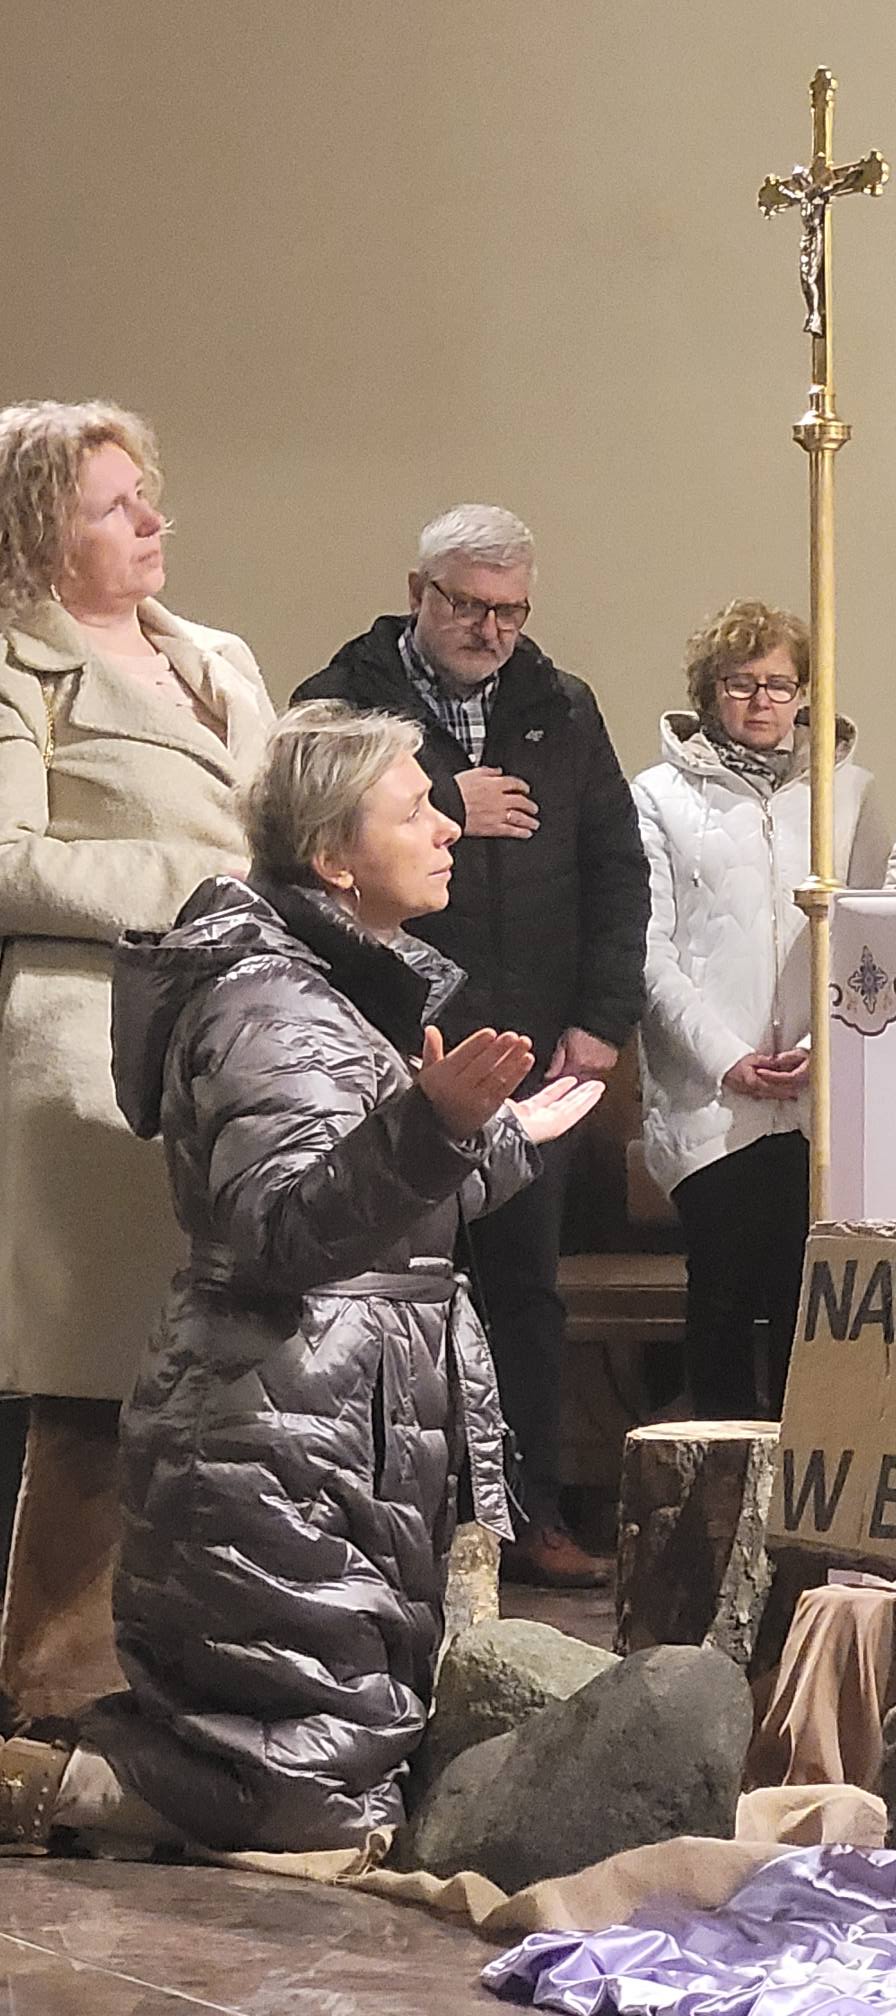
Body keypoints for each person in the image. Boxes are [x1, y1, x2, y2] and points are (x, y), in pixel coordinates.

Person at [0, 700, 602, 1855]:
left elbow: (374, 1211)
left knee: (341, 1761)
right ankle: (53, 1784)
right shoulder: (271, 1007)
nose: (447, 827)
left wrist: (488, 1137)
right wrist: (434, 1127)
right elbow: (284, 1232)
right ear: (332, 857)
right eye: (413, 810)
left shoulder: (325, 992)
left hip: (320, 1426)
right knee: (306, 1791)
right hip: (278, 1436)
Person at [297, 505, 649, 1587]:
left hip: (532, 1054)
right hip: (393, 1053)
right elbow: (302, 847)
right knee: (397, 1290)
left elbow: (617, 868)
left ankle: (529, 1517)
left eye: (511, 610)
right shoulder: (341, 698)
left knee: (523, 1292)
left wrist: (600, 1019)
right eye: (467, 605)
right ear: (419, 592)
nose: (490, 629)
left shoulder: (561, 705)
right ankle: (398, 1529)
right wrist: (449, 799)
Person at [0, 399, 274, 1727]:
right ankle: (53, 1702)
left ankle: (193, 1683)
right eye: (114, 507)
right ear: (39, 531)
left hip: (236, 1046)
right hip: (89, 1058)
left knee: (216, 1383)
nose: (153, 520)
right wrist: (205, 883)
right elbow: (9, 860)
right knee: (97, 1391)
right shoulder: (17, 668)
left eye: (144, 494)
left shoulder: (215, 655)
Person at [633, 599, 891, 1419]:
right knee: (720, 1292)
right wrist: (725, 1057)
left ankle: (793, 1476)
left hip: (819, 1088)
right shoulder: (660, 796)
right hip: (713, 1093)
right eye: (740, 683)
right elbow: (649, 947)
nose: (761, 701)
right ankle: (715, 1475)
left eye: (779, 684)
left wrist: (822, 1043)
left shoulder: (849, 795)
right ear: (709, 691)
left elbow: (873, 933)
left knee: (803, 1296)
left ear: (805, 692)